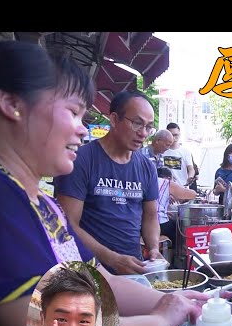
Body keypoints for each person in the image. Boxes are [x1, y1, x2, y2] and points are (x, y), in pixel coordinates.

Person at [0, 41, 206, 326]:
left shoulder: (44, 207)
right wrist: (160, 319)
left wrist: (175, 301)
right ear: (12, 104)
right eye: (73, 111)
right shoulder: (5, 203)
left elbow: (99, 281)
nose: (82, 129)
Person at [55, 90, 165, 275]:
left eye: (149, 127)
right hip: (88, 272)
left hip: (134, 269)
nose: (143, 133)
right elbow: (68, 225)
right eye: (137, 123)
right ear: (114, 119)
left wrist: (153, 247)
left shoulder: (147, 167)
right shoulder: (81, 160)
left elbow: (151, 216)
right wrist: (111, 258)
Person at [157, 167, 197, 248]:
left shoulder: (149, 181)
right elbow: (192, 194)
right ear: (168, 178)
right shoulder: (166, 183)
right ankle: (176, 255)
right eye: (173, 179)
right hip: (158, 224)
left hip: (141, 223)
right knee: (179, 231)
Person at [165, 122, 195, 187]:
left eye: (176, 135)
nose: (174, 137)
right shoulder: (162, 151)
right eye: (171, 135)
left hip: (182, 187)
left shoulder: (185, 152)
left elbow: (191, 169)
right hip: (165, 188)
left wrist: (190, 177)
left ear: (179, 135)